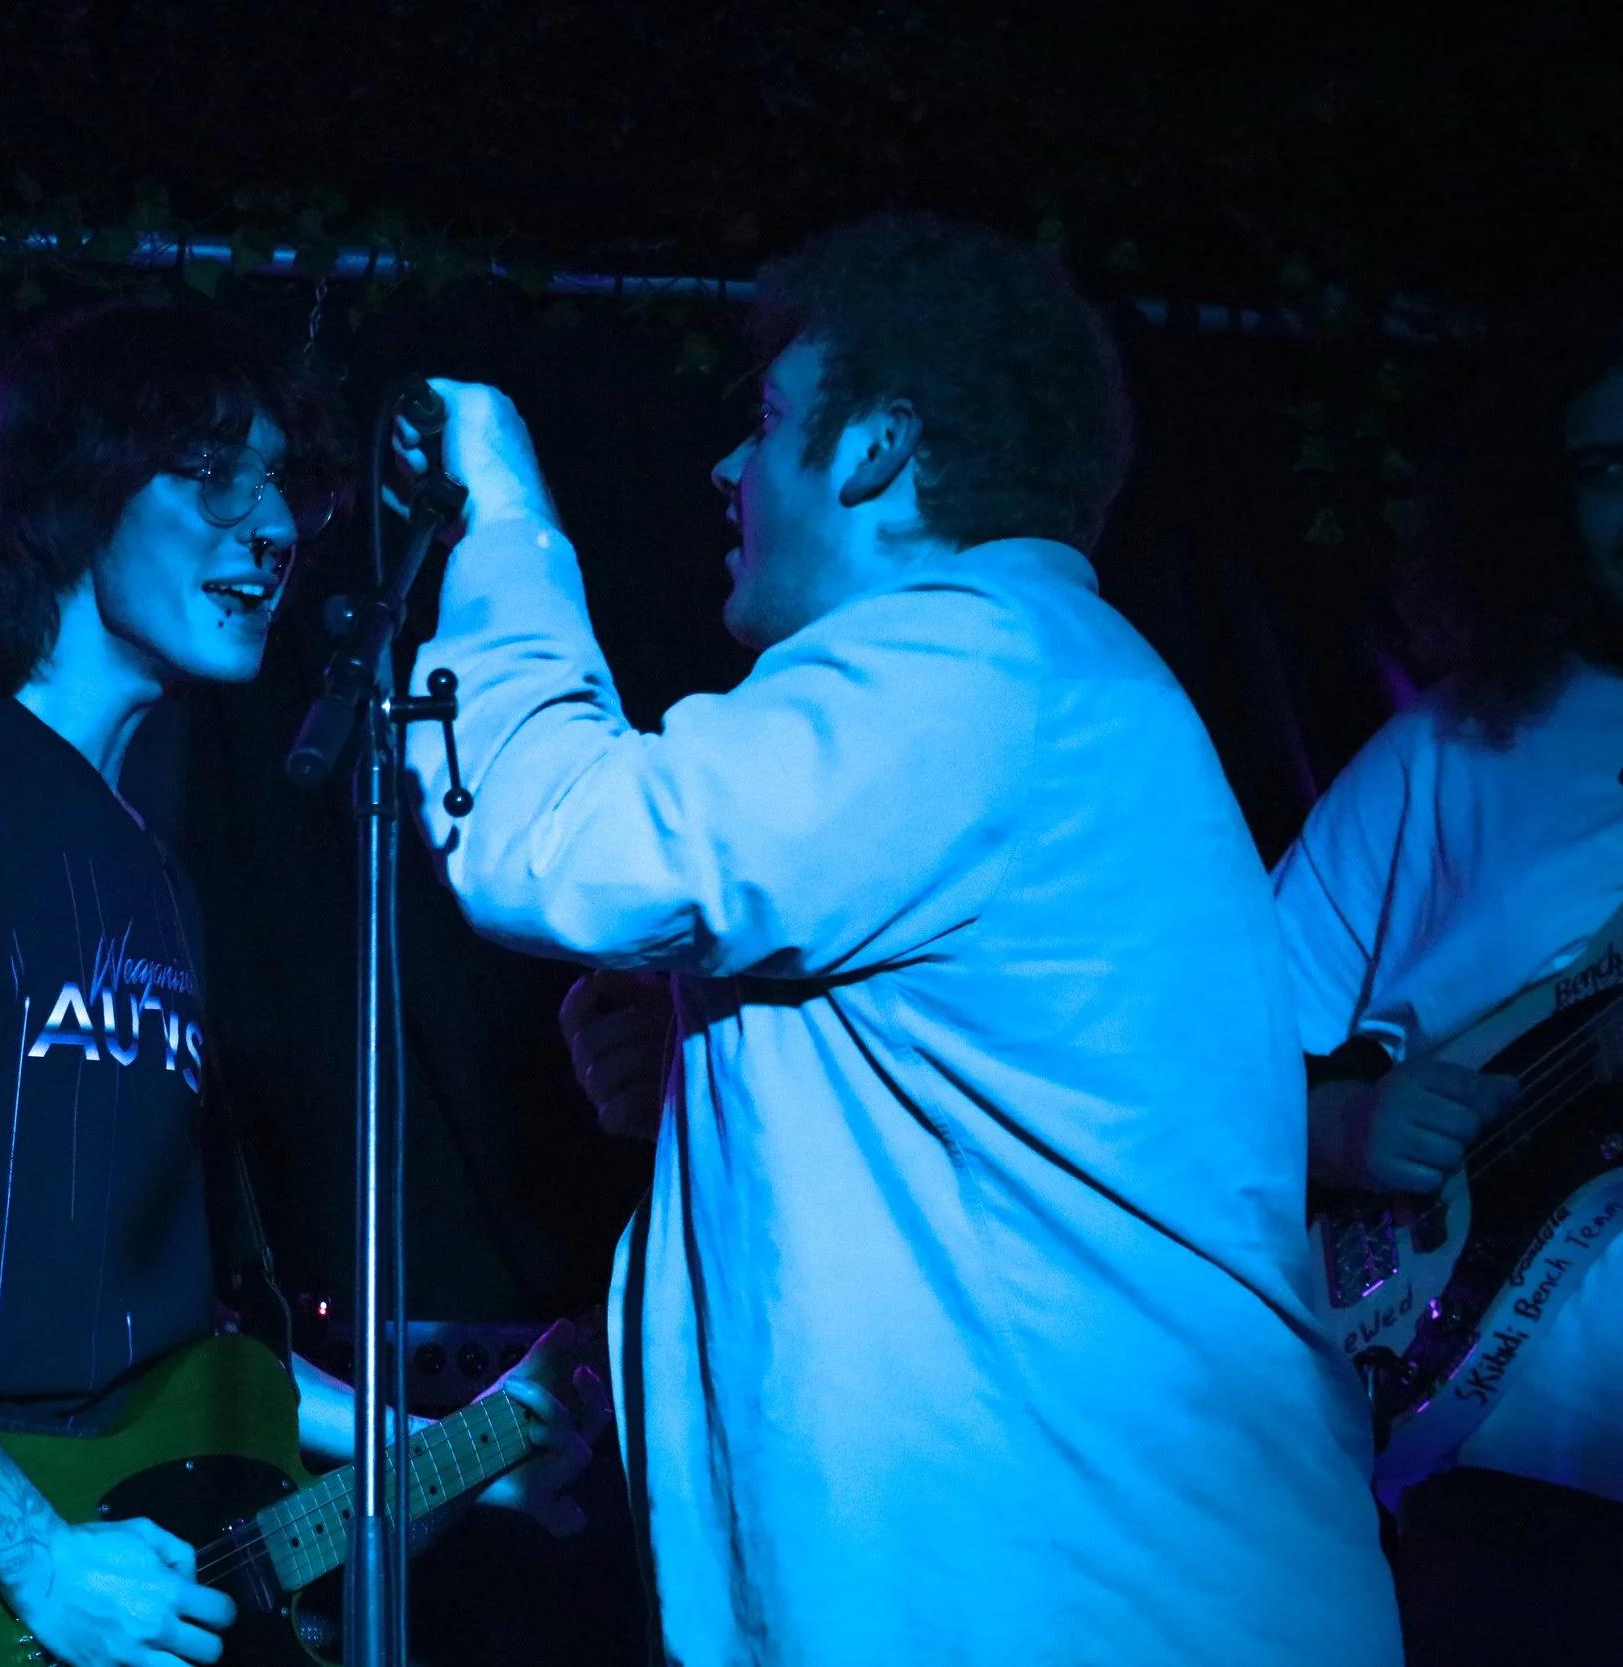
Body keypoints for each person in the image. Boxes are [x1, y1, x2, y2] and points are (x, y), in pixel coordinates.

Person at [398, 216, 1399, 1664]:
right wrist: (699, 1055)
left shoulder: (976, 662)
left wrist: (508, 522)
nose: (728, 470)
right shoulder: (1020, 695)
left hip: (1099, 1607)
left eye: (770, 422)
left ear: (877, 448)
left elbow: (570, 846)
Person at [0, 302, 602, 1667]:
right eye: (211, 474)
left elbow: (199, 1365)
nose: (271, 532)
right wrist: (38, 1554)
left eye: (280, 489)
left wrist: (459, 1444)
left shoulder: (149, 875)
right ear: (73, 495)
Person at [1273, 265, 1623, 1664]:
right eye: (1609, 470)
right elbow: (1181, 1059)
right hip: (1476, 1511)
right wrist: (1343, 1123)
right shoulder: (1454, 749)